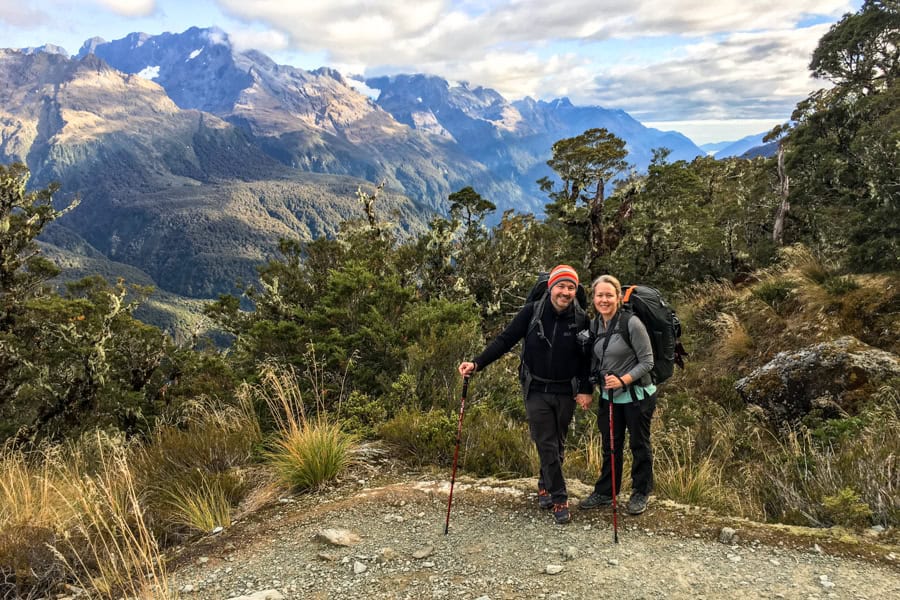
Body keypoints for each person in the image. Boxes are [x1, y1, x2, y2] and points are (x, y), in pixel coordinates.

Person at [458, 265, 592, 525]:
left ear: (576, 291)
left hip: (566, 390)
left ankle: (544, 484)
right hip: (536, 388)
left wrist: (586, 389)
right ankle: (559, 496)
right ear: (551, 287)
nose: (565, 292)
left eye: (571, 287)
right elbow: (505, 340)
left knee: (558, 444)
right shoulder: (532, 312)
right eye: (561, 286)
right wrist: (477, 363)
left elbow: (587, 359)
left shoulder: (582, 319)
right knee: (546, 442)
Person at [578, 274, 657, 515]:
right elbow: (592, 360)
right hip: (608, 396)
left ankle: (640, 492)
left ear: (618, 297)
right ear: (593, 298)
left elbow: (647, 362)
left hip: (637, 395)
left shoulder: (631, 323)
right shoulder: (594, 325)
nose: (604, 300)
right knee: (610, 444)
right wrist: (588, 388)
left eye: (609, 295)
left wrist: (622, 379)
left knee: (639, 444)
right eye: (599, 295)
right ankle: (606, 491)